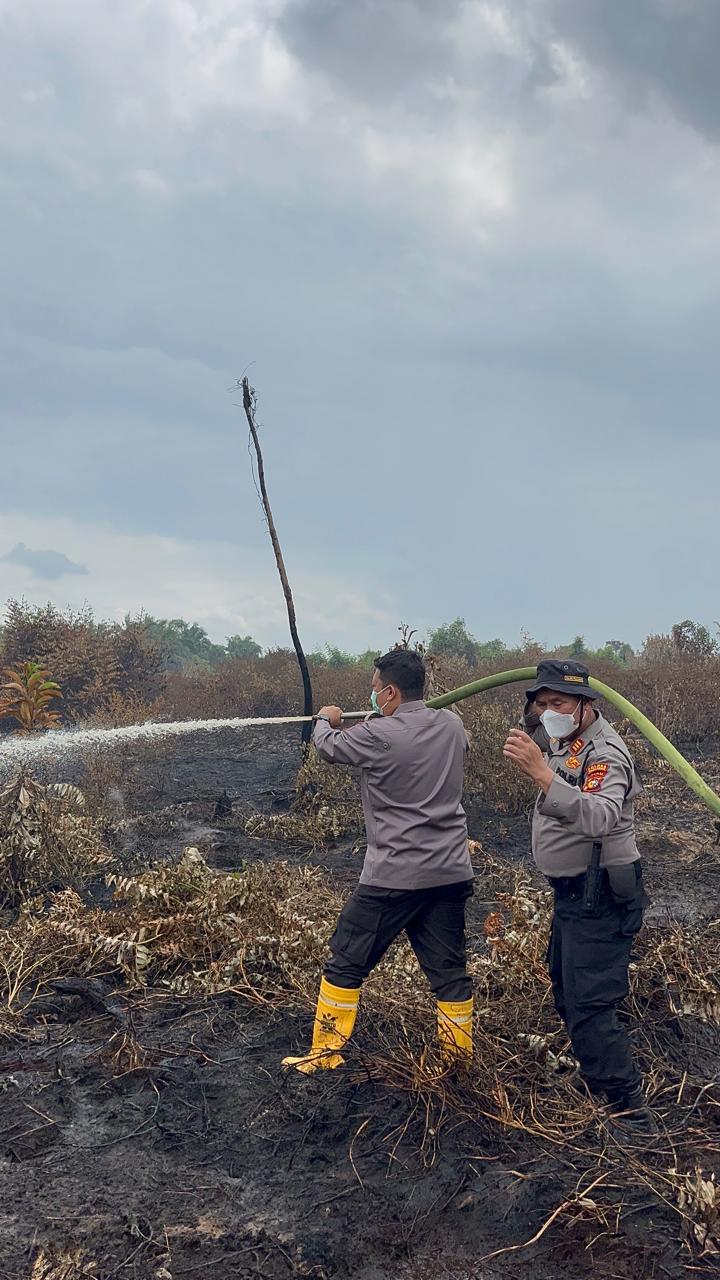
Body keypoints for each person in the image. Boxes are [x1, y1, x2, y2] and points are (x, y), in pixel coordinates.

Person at [282, 649, 474, 1075]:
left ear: (390, 691)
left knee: (346, 959)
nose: (371, 697)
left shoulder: (378, 734)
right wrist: (374, 724)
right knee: (449, 971)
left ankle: (325, 1054)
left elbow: (329, 749)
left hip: (394, 877)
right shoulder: (452, 724)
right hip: (450, 872)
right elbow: (414, 742)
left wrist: (325, 719)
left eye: (374, 690)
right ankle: (458, 1061)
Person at [503, 659, 656, 1136]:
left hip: (602, 896)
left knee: (590, 1002)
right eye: (541, 703)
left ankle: (630, 1110)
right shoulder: (566, 742)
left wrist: (541, 775)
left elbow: (599, 818)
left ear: (587, 705)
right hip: (572, 896)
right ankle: (598, 1081)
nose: (548, 712)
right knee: (566, 990)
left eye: (559, 703)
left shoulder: (605, 753)